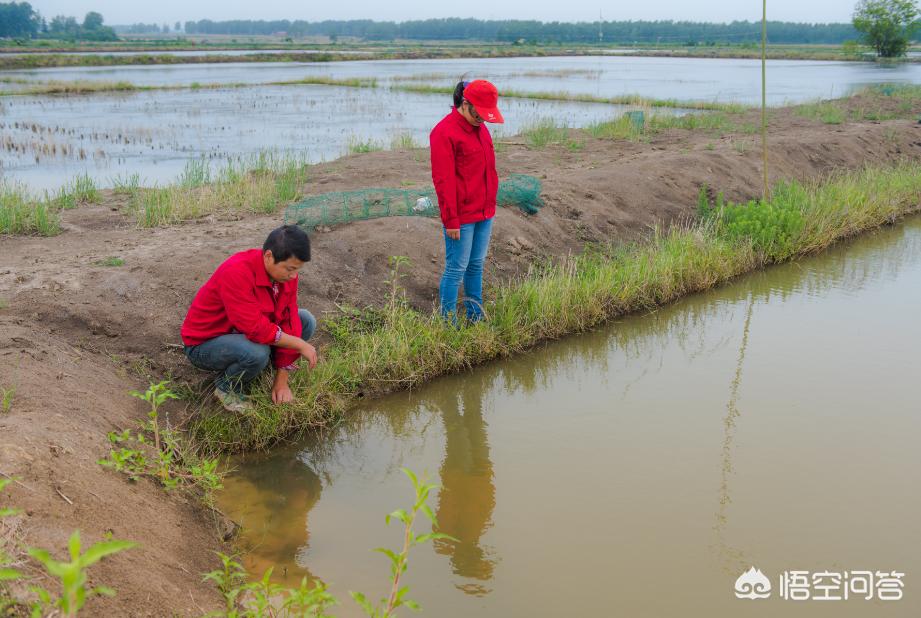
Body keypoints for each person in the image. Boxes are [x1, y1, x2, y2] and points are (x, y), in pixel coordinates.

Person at [181, 225, 318, 412]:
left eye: (297, 270)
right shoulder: (236, 271)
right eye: (290, 269)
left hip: (241, 334)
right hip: (205, 344)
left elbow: (289, 318)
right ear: (269, 256)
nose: (294, 276)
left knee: (305, 321)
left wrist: (282, 379)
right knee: (256, 351)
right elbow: (256, 329)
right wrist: (300, 345)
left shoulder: (286, 277)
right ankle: (226, 387)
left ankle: (265, 365)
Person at [429, 79, 504, 322]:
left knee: (476, 266)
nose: (482, 119)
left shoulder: (480, 127)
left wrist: (490, 204)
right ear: (465, 102)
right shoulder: (443, 132)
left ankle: (475, 317)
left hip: (484, 211)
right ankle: (448, 324)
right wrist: (451, 219)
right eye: (479, 113)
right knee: (456, 269)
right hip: (461, 217)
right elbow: (444, 181)